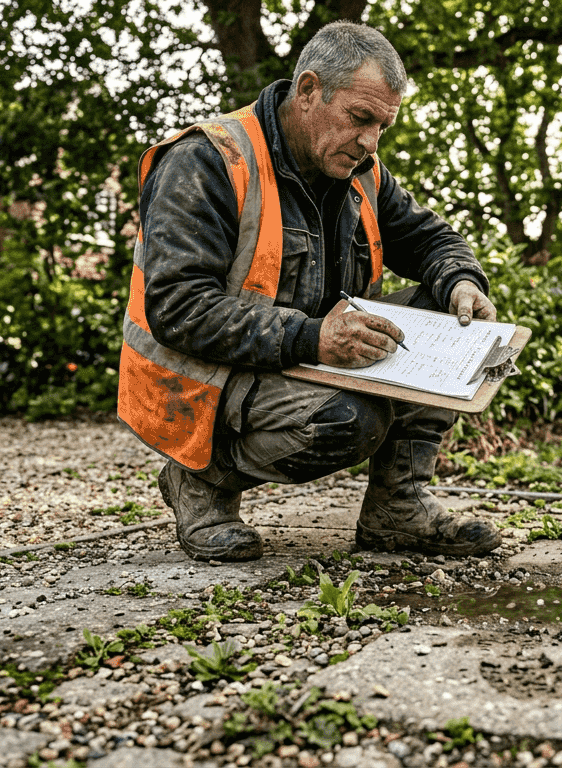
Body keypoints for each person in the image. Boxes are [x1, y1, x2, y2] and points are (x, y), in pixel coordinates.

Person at [117, 21, 502, 562]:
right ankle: (200, 481)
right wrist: (315, 338)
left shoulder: (359, 169)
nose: (370, 143)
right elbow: (178, 308)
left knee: (450, 314)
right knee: (348, 422)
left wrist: (462, 280)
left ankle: (398, 508)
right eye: (360, 118)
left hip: (305, 353)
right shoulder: (208, 160)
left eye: (382, 127)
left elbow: (431, 238)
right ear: (307, 91)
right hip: (200, 378)